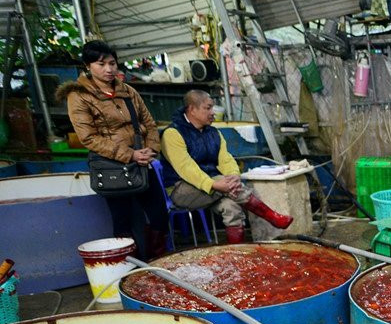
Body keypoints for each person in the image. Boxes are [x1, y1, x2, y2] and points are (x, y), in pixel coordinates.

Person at [58, 40, 169, 259]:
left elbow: (149, 123)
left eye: (112, 63)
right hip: (112, 167)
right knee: (122, 220)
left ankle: (159, 262)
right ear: (87, 66)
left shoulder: (127, 91)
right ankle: (132, 269)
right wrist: (130, 155)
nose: (108, 69)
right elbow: (89, 138)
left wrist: (150, 150)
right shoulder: (78, 96)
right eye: (101, 64)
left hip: (142, 162)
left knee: (159, 214)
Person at [160, 90, 294, 244]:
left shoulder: (213, 133)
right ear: (192, 109)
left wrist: (234, 175)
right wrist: (214, 184)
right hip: (180, 189)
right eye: (208, 108)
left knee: (231, 207)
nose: (213, 112)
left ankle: (236, 252)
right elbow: (186, 168)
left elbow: (225, 159)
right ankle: (272, 216)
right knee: (229, 187)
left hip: (213, 188)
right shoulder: (173, 133)